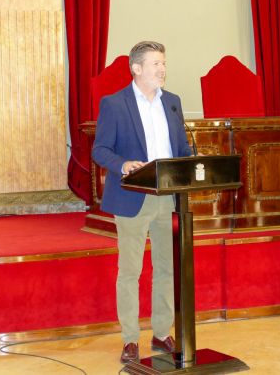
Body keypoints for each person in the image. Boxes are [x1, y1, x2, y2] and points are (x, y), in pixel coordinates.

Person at [92, 41, 192, 363]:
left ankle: (161, 332)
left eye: (164, 63)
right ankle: (130, 339)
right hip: (132, 198)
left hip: (168, 198)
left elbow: (182, 149)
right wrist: (123, 164)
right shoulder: (114, 104)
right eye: (155, 64)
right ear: (136, 68)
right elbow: (100, 150)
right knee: (130, 271)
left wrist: (193, 163)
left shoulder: (172, 102)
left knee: (166, 268)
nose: (162, 69)